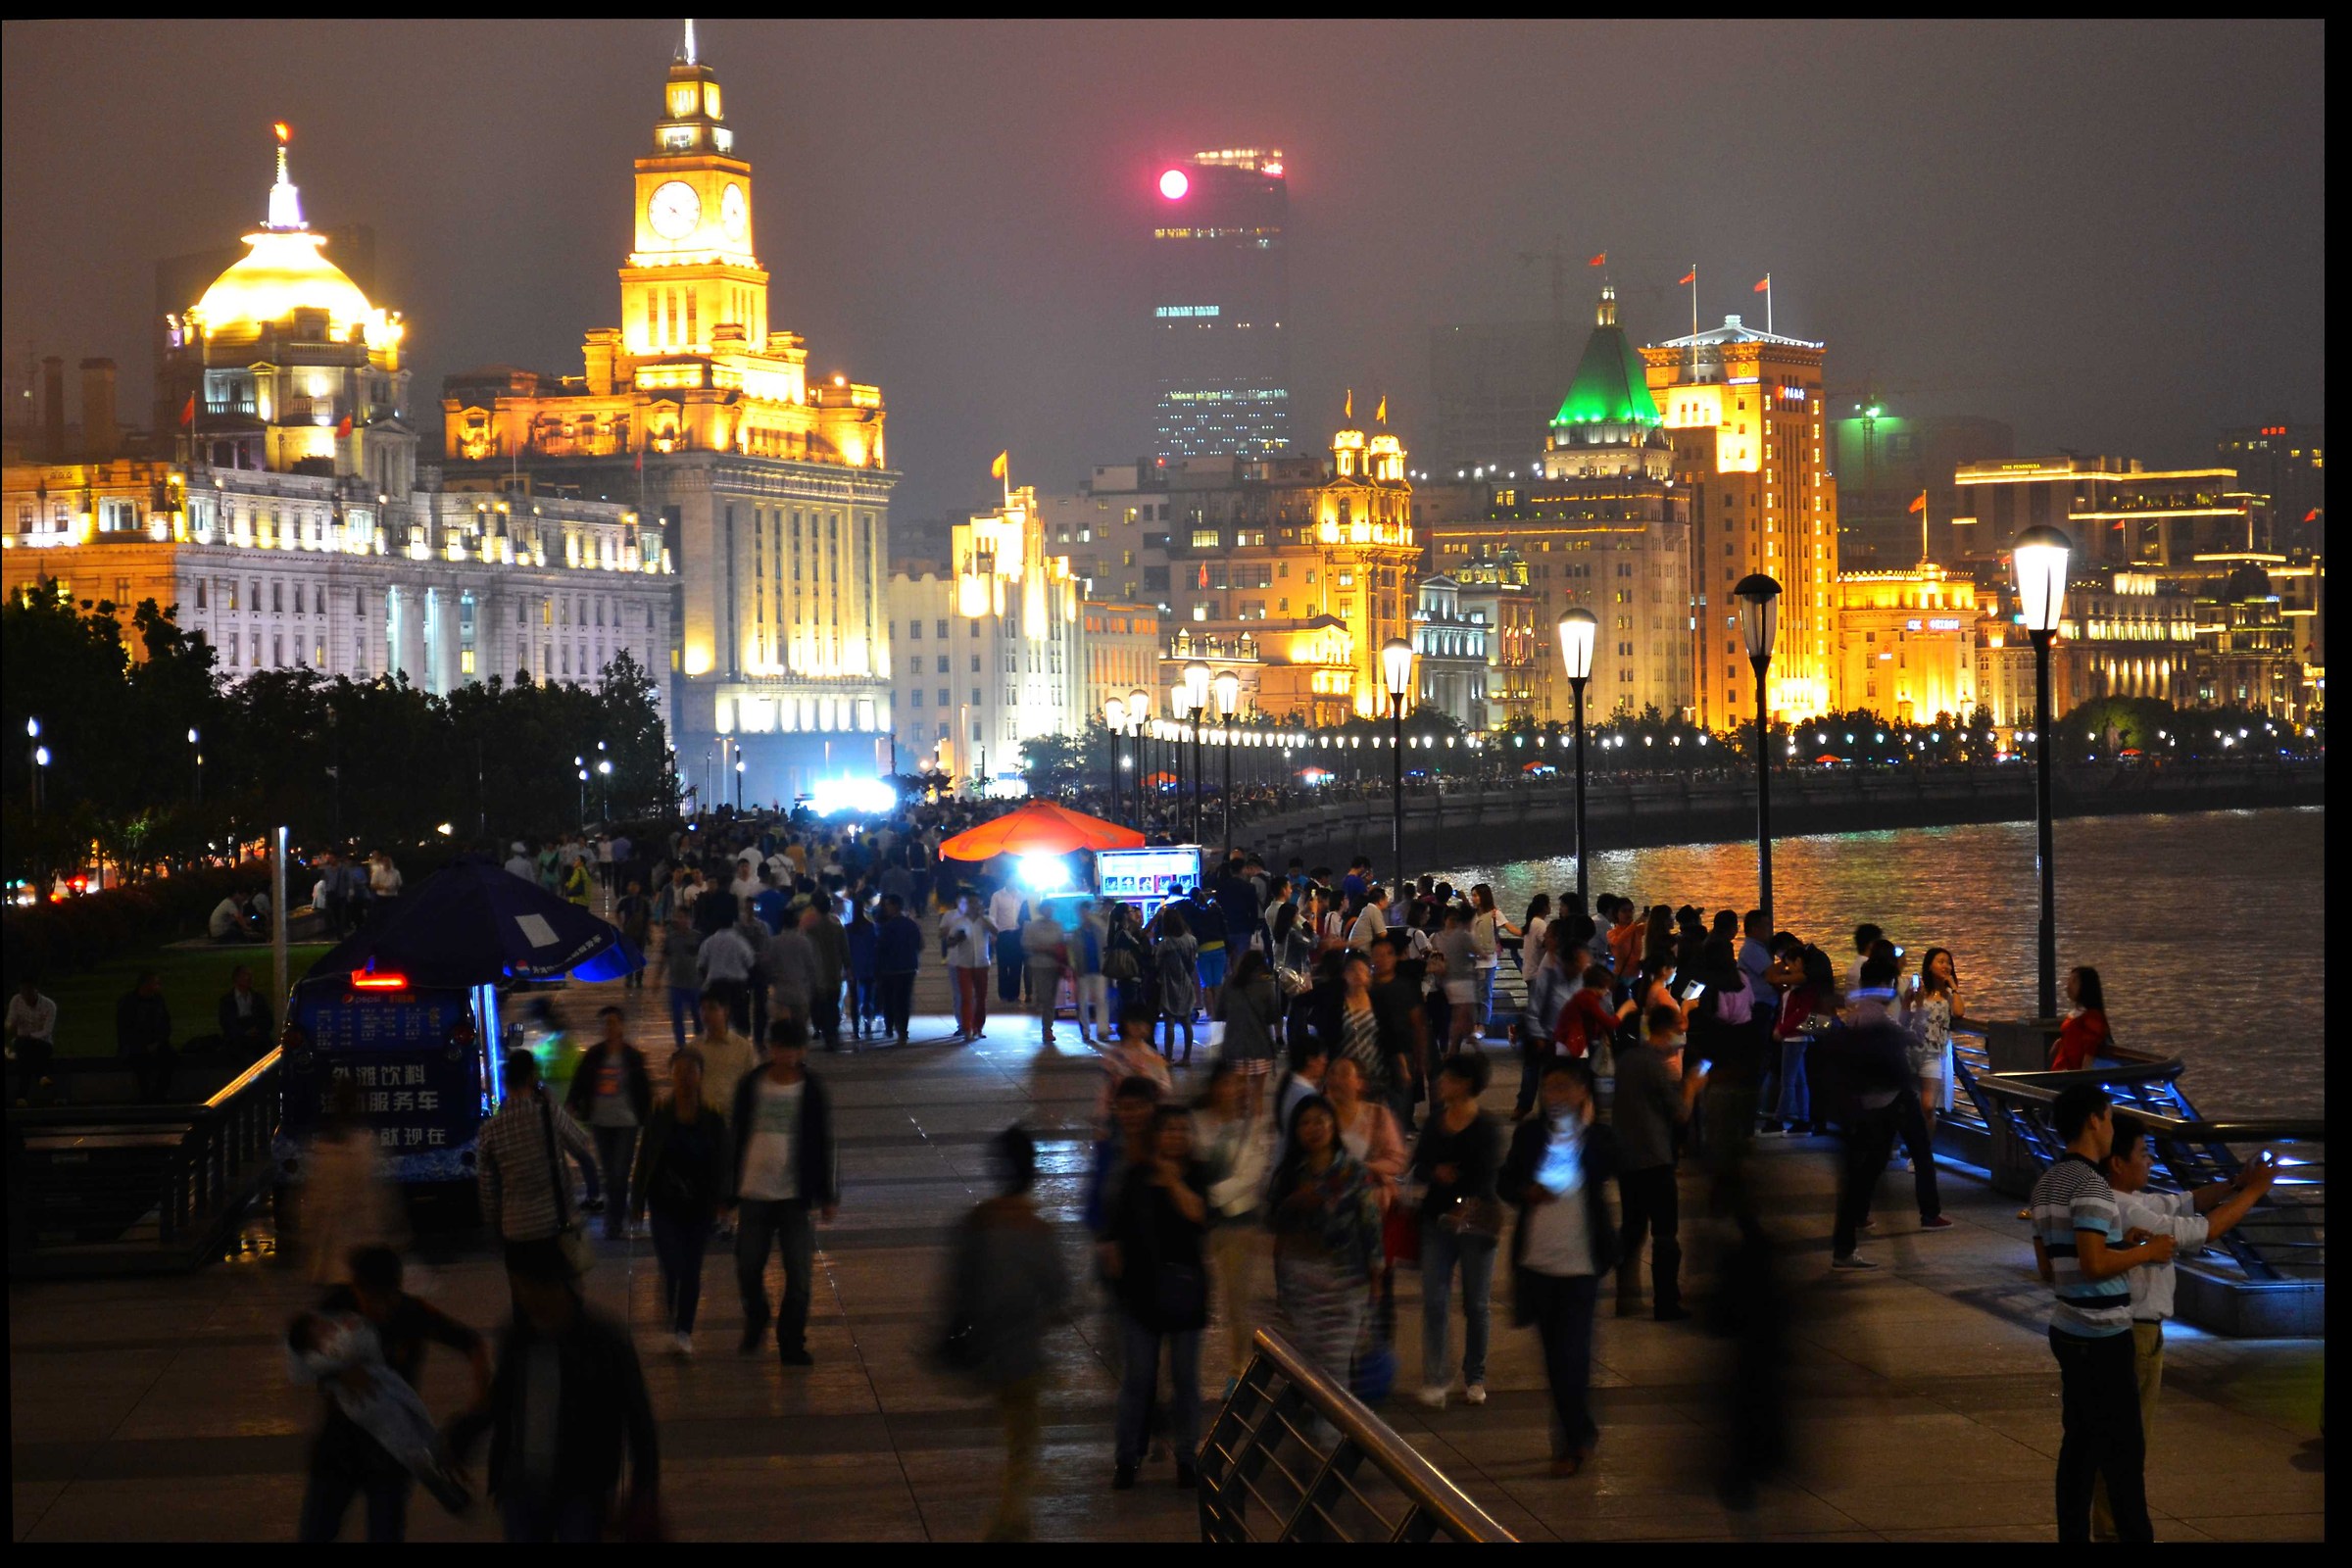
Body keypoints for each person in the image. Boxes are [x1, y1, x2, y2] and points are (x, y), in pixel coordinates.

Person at [2086, 1113, 2278, 1539]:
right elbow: (2204, 1231)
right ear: (2118, 1163)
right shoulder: (2123, 1208)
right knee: (2125, 1447)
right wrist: (2257, 1191)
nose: (2150, 1160)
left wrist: (2235, 1184)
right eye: (2143, 1153)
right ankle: (2113, 1531)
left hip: (2133, 1333)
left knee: (2118, 1444)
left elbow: (2183, 1202)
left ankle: (2110, 1527)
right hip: (2134, 1336)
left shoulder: (2121, 1200)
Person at [2028, 1085, 2174, 1544]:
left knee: (2080, 1448)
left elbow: (2051, 1265)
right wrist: (2148, 1250)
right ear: (2093, 1121)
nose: (2112, 1129)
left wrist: (2117, 1245)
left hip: (2067, 1326)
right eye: (2110, 1119)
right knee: (2124, 1458)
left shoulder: (2048, 1181)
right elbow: (2092, 1265)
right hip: (2102, 1335)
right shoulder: (2091, 1184)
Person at [452, 1243, 659, 1543]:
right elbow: (502, 1399)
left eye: (535, 1287)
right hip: (521, 1487)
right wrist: (463, 1437)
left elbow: (639, 1419)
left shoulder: (605, 1342)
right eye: (521, 1287)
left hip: (581, 1488)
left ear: (561, 1284)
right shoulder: (517, 1336)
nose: (527, 1297)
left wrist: (643, 1489)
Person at [295, 1246, 491, 1543]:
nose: (381, 1308)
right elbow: (298, 1352)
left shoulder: (413, 1313)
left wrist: (474, 1412)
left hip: (391, 1453)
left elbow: (473, 1344)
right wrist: (337, 1371)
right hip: (337, 1449)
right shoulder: (336, 1306)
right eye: (371, 1298)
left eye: (388, 1298)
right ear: (356, 1288)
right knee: (316, 1532)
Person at [943, 1126, 1072, 1541]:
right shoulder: (1037, 1230)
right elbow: (1059, 1294)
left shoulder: (976, 1222)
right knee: (1023, 1441)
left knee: (1011, 1429)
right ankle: (1010, 1519)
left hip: (986, 1347)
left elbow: (957, 1286)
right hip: (1023, 1353)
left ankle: (1016, 1518)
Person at [1503, 1057, 1620, 1478]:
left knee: (1572, 1356)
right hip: (1537, 1263)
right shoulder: (1530, 1134)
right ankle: (1580, 1431)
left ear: (1583, 1092)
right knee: (1556, 1361)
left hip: (1580, 1266)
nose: (1555, 1097)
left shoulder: (1596, 1138)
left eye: (1564, 1088)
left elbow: (1611, 1162)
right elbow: (1506, 1183)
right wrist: (1525, 1191)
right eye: (1549, 1088)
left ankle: (1573, 1443)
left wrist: (1582, 1129)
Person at [1105, 1104, 1211, 1491]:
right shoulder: (1135, 1176)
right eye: (1168, 1130)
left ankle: (1187, 1457)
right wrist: (1118, 1280)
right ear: (1156, 1135)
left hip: (1185, 1293)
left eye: (1183, 1130)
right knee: (1138, 1379)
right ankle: (1126, 1458)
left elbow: (1199, 1216)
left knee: (1185, 1379)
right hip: (1140, 1295)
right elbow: (1114, 1231)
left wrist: (1173, 1182)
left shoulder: (1196, 1174)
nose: (1176, 1136)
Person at [729, 1019, 839, 1365]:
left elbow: (824, 1143)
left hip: (795, 1195)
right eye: (781, 1048)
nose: (787, 1056)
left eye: (794, 1049)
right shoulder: (751, 1085)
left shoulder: (812, 1089)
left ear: (802, 1051)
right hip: (754, 1192)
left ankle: (791, 1341)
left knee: (800, 1276)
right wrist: (725, 1191)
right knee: (747, 1267)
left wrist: (828, 1195)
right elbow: (734, 1139)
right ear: (770, 1048)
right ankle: (757, 1315)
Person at [1265, 1096, 1384, 1381]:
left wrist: (1376, 1280)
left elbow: (1371, 1227)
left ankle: (1328, 1425)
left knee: (1334, 1366)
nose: (1313, 1128)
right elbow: (1279, 1233)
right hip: (1302, 1284)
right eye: (1305, 1122)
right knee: (1307, 1366)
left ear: (1333, 1124)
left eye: (1320, 1119)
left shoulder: (1353, 1173)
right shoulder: (1291, 1176)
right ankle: (1319, 1421)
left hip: (1345, 1282)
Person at [1411, 1053, 1505, 1406]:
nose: (1440, 1083)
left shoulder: (1486, 1127)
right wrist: (1434, 1172)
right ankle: (1436, 1378)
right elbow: (1418, 1165)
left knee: (1476, 1303)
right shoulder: (1435, 1122)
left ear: (1465, 1082)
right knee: (1434, 1300)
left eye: (1447, 1077)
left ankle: (1475, 1376)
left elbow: (1485, 1177)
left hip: (1477, 1224)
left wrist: (1457, 1189)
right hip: (1436, 1221)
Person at [630, 1048, 732, 1354]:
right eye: (679, 1072)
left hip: (699, 1206)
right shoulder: (660, 1115)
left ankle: (684, 1330)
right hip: (664, 1205)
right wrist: (636, 1202)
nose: (685, 1078)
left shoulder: (712, 1118)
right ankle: (672, 1312)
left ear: (701, 1076)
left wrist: (724, 1200)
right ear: (671, 1075)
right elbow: (645, 1159)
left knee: (691, 1268)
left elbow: (724, 1162)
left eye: (691, 1071)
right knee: (672, 1262)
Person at [1614, 1004, 1702, 1318]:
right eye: (1678, 1029)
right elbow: (1680, 1113)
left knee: (1632, 1228)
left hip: (1627, 1158)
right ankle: (1666, 1302)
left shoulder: (1627, 1060)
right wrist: (1691, 1087)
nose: (1681, 1036)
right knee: (1665, 1234)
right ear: (1667, 1031)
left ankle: (1625, 1297)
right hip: (1655, 1158)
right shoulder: (1656, 1065)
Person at [476, 1052, 599, 1271]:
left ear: (505, 1083)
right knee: (562, 1297)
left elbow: (487, 1191)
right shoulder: (549, 1114)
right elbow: (581, 1143)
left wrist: (497, 1225)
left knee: (525, 1298)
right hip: (554, 1226)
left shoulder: (490, 1131)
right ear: (533, 1078)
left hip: (515, 1231)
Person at [1192, 1065, 1269, 1393]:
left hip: (1238, 1224)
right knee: (1193, 1298)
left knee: (1237, 1301)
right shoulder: (1196, 1122)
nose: (1233, 1091)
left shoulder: (1254, 1127)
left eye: (1238, 1085)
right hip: (1198, 1226)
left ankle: (1238, 1370)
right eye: (1227, 1083)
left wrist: (1209, 1196)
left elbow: (1252, 1174)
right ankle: (1186, 1370)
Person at [299, 1079, 410, 1284]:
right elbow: (382, 1199)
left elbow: (312, 1203)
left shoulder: (321, 1149)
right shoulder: (366, 1146)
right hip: (365, 1252)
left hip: (331, 1257)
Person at [564, 1006, 651, 1240]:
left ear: (621, 1026)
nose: (609, 1027)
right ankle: (616, 1215)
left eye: (613, 1022)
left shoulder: (631, 1056)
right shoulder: (594, 1054)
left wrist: (648, 1116)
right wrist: (572, 1102)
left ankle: (614, 1222)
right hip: (601, 1121)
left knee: (619, 1172)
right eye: (605, 1023)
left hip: (626, 1121)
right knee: (609, 1172)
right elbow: (580, 1081)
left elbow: (643, 1089)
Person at [1213, 950, 1281, 1123]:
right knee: (1257, 1095)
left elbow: (1219, 1013)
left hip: (1235, 1046)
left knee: (1237, 1095)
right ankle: (1254, 1135)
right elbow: (1273, 1016)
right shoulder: (1267, 985)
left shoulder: (1230, 984)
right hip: (1260, 1047)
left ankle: (1236, 1134)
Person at [1903, 946, 1962, 1126]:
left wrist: (1954, 987)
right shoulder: (1919, 992)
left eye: (1949, 963)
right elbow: (1904, 1020)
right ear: (1929, 966)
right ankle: (1915, 1150)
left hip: (1933, 1055)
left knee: (1928, 1106)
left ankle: (1924, 1152)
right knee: (1909, 1106)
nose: (1946, 966)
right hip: (1910, 1051)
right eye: (1941, 962)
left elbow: (1959, 1012)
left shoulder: (1949, 995)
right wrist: (1908, 1000)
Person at [1095, 1002, 1173, 1129]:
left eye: (1144, 1024)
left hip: (1147, 1116)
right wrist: (1102, 1121)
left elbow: (1166, 1087)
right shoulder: (1113, 1057)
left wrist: (1147, 1079)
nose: (1140, 1027)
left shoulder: (1153, 1057)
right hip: (1120, 1117)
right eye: (1135, 1023)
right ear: (1125, 1024)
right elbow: (1104, 1091)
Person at [693, 994, 760, 1119]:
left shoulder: (743, 1048)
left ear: (726, 1011)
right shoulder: (694, 1048)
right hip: (702, 1119)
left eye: (712, 1008)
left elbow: (752, 1083)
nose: (706, 1014)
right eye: (703, 1009)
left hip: (733, 1118)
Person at [115, 969, 174, 1102]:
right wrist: (143, 1045)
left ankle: (158, 1094)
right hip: (136, 1046)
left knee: (170, 1059)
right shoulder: (129, 1003)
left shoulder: (157, 1000)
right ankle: (148, 1095)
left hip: (155, 1044)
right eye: (156, 983)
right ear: (146, 984)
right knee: (141, 1062)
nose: (159, 986)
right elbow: (126, 1030)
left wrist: (157, 1042)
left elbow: (165, 1024)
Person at [944, 890, 994, 1043]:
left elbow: (995, 932)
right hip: (964, 964)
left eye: (976, 903)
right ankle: (967, 1028)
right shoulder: (959, 922)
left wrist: (982, 918)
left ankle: (978, 1027)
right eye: (970, 903)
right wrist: (957, 939)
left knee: (981, 997)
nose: (973, 906)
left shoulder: (986, 920)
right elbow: (949, 942)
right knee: (966, 997)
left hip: (981, 963)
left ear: (981, 904)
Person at [695, 914, 758, 1035]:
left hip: (716, 986)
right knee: (741, 1023)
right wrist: (749, 985)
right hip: (737, 986)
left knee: (719, 1021)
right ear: (733, 924)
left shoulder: (709, 941)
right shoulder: (740, 941)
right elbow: (751, 962)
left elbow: (701, 965)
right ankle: (741, 1048)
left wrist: (707, 980)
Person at [1466, 884, 1515, 1038]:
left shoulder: (1495, 914)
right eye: (1472, 895)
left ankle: (1481, 1026)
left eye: (1475, 895)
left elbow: (1510, 928)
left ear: (1483, 896)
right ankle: (1475, 1025)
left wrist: (1525, 932)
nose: (1473, 898)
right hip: (1473, 960)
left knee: (1485, 994)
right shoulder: (1472, 915)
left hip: (1488, 961)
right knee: (1474, 994)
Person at [875, 893, 923, 1043]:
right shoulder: (911, 924)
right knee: (904, 999)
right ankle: (902, 1029)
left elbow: (880, 947)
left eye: (888, 905)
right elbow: (920, 944)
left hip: (890, 968)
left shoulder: (887, 926)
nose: (886, 908)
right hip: (908, 967)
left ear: (895, 906)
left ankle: (890, 1026)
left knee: (889, 998)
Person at [1153, 906, 1200, 1061]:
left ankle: (1169, 1057)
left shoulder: (1166, 943)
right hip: (1186, 982)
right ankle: (1186, 1057)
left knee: (1169, 1023)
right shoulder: (1191, 940)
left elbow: (1157, 962)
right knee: (1186, 1022)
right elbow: (1193, 962)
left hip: (1168, 985)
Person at [804, 900, 851, 1051]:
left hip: (816, 975)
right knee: (833, 1005)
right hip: (834, 973)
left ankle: (824, 1030)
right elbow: (845, 950)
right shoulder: (837, 927)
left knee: (818, 1005)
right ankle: (832, 1035)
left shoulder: (810, 929)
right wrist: (848, 968)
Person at [1021, 902, 1070, 1048]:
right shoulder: (1032, 926)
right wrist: (1045, 949)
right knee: (1045, 996)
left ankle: (1047, 1029)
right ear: (1041, 910)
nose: (1049, 911)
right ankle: (1042, 1013)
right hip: (1039, 965)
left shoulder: (1057, 925)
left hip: (1055, 965)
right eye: (1047, 908)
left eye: (1051, 908)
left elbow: (1062, 943)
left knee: (1050, 999)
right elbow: (1027, 944)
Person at [2049, 966, 2112, 1071]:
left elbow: (2089, 1052)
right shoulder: (2076, 1013)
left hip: (2071, 1072)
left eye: (2074, 981)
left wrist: (2082, 1076)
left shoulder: (2092, 1016)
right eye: (2069, 980)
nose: (2068, 986)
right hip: (2061, 1068)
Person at [8, 976, 59, 1104]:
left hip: (42, 1043)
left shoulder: (49, 1005)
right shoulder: (16, 1000)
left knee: (25, 1059)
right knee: (24, 1050)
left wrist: (30, 1036)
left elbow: (47, 1031)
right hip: (23, 1043)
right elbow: (11, 1020)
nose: (25, 996)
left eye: (28, 992)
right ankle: (41, 1076)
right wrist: (12, 1024)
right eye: (23, 992)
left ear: (36, 990)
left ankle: (21, 1097)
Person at [658, 906, 702, 1051]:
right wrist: (657, 978)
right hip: (676, 985)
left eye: (683, 917)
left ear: (689, 919)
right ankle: (681, 1047)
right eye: (677, 917)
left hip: (694, 984)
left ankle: (700, 1046)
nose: (680, 920)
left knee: (698, 1018)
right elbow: (664, 958)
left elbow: (705, 959)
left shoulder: (697, 937)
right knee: (677, 1018)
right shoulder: (671, 938)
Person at [1274, 1036, 1331, 1137]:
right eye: (1323, 1056)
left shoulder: (1290, 1082)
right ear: (1311, 1061)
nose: (1325, 1061)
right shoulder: (1306, 1096)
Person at [989, 879, 1028, 1007]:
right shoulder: (997, 896)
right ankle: (1004, 993)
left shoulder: (1023, 895)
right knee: (1003, 965)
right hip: (1003, 933)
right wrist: (994, 933)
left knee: (1017, 965)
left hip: (1018, 933)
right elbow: (992, 916)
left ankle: (1014, 994)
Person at [847, 899, 882, 1041]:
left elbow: (845, 949)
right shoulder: (871, 927)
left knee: (854, 999)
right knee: (868, 996)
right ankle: (868, 1023)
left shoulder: (848, 928)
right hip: (869, 965)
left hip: (853, 966)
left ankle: (856, 1029)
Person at [614, 880, 652, 992]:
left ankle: (639, 979)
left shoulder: (644, 901)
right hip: (629, 933)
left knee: (639, 956)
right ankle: (629, 978)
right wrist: (621, 926)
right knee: (629, 956)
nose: (633, 888)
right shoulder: (625, 900)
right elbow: (617, 912)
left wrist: (649, 932)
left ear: (639, 888)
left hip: (641, 933)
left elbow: (648, 917)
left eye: (635, 886)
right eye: (631, 886)